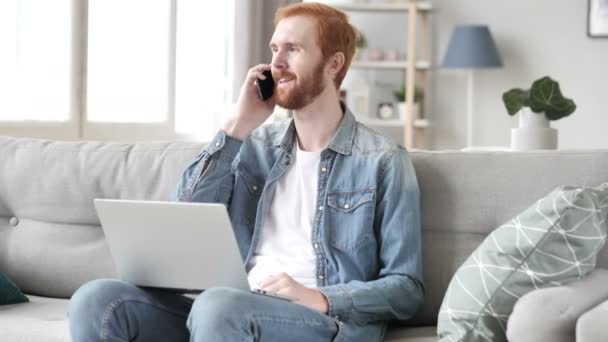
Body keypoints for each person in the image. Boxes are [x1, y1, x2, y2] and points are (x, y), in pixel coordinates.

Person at [68, 2, 424, 341]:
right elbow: (186, 213)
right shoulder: (253, 146)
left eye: (293, 50)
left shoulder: (383, 160)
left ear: (333, 64)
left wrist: (320, 297)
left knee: (219, 306)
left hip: (324, 321)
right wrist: (237, 126)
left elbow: (406, 288)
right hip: (230, 309)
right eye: (274, 49)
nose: (277, 63)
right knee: (97, 300)